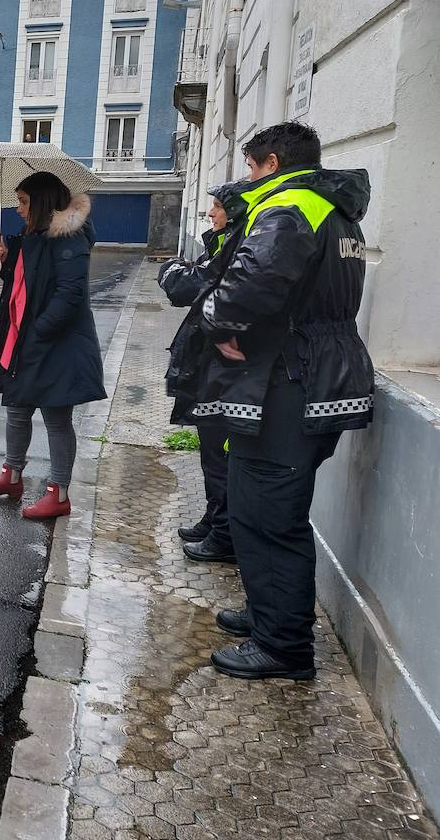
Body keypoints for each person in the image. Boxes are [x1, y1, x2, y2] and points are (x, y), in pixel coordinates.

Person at [195, 122, 374, 681]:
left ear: (270, 163)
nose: (247, 179)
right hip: (316, 374)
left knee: (268, 512)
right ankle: (270, 613)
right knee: (264, 504)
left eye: (250, 167)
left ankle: (283, 644)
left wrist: (214, 320)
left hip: (293, 380)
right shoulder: (333, 208)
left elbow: (250, 284)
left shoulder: (291, 206)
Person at [0, 171, 106, 520]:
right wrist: (3, 262)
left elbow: (69, 294)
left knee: (57, 418)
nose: (18, 209)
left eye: (23, 201)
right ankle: (12, 476)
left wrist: (39, 331)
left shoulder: (69, 239)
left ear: (42, 201)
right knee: (17, 408)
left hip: (56, 345)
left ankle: (58, 493)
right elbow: (27, 283)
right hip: (30, 340)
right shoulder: (36, 237)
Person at [157, 183, 250, 564]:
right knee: (212, 450)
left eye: (216, 207)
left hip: (226, 372)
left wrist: (170, 268)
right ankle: (215, 519)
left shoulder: (238, 245)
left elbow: (185, 285)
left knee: (220, 453)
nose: (210, 213)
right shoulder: (223, 243)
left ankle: (225, 533)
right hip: (211, 365)